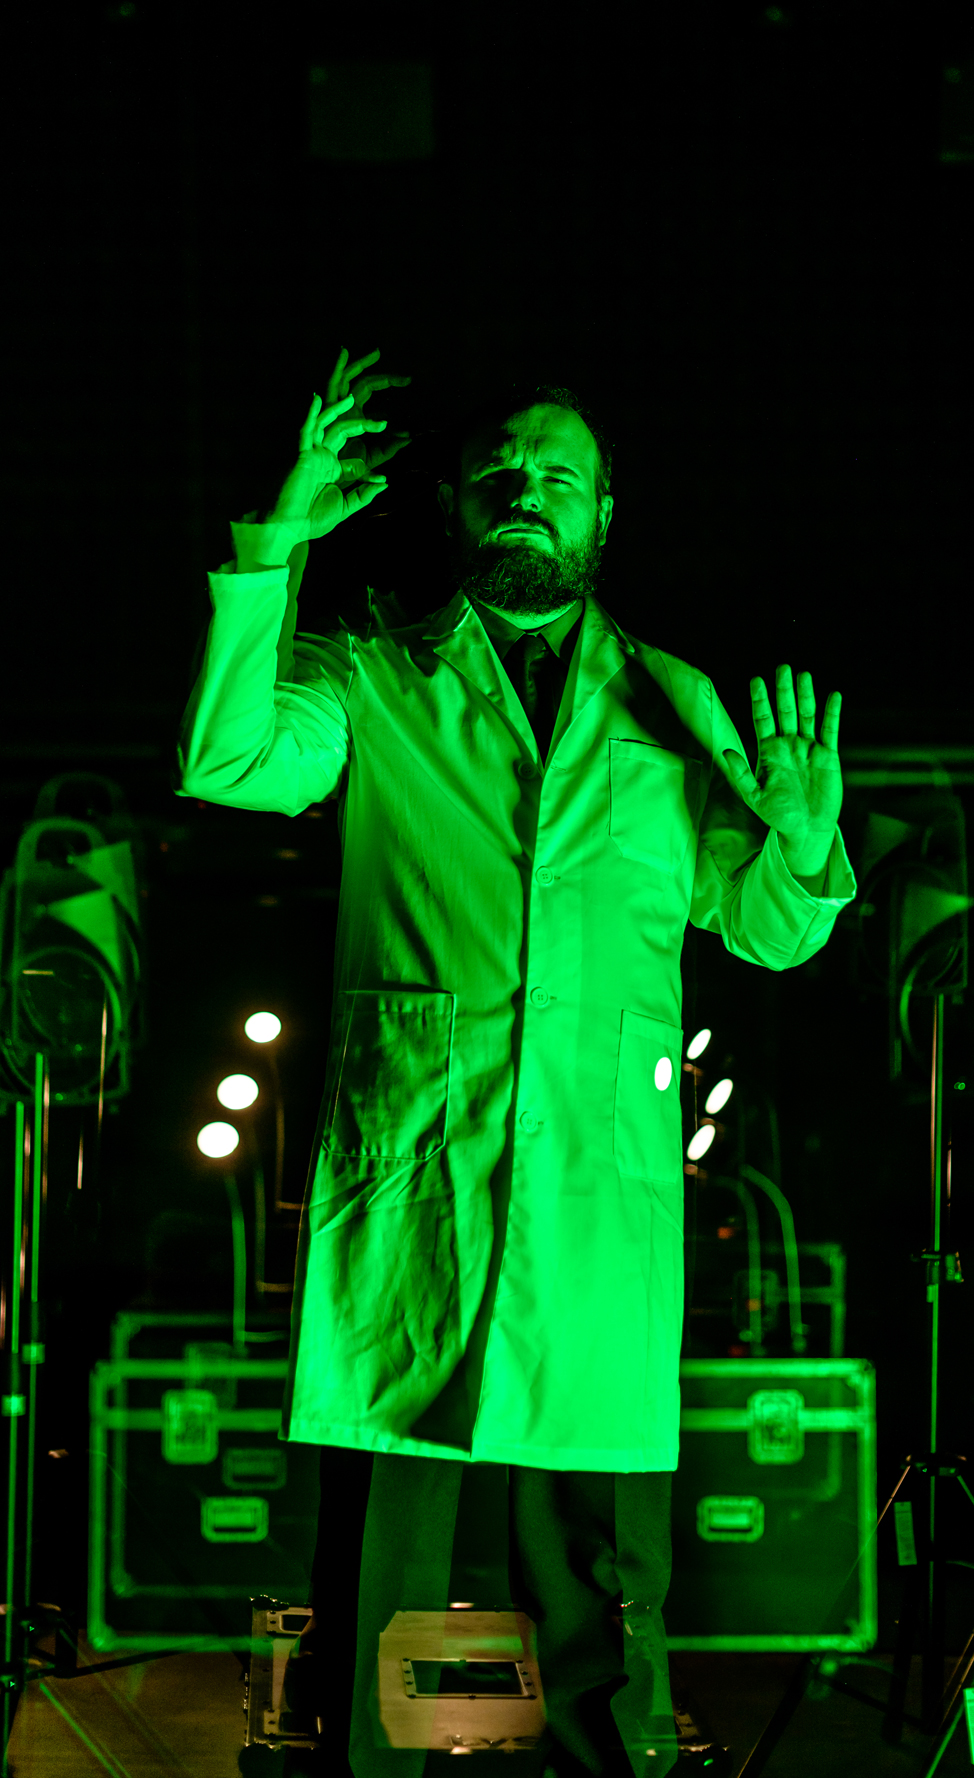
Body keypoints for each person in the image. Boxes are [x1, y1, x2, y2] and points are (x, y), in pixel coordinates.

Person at [178, 345, 857, 1777]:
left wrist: (802, 842)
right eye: (499, 471)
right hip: (420, 1186)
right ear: (451, 505)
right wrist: (279, 543)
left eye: (557, 473)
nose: (525, 490)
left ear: (605, 513)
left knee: (602, 1605)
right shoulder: (376, 670)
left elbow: (765, 926)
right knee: (383, 1598)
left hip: (597, 1211)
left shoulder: (673, 703)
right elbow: (232, 762)